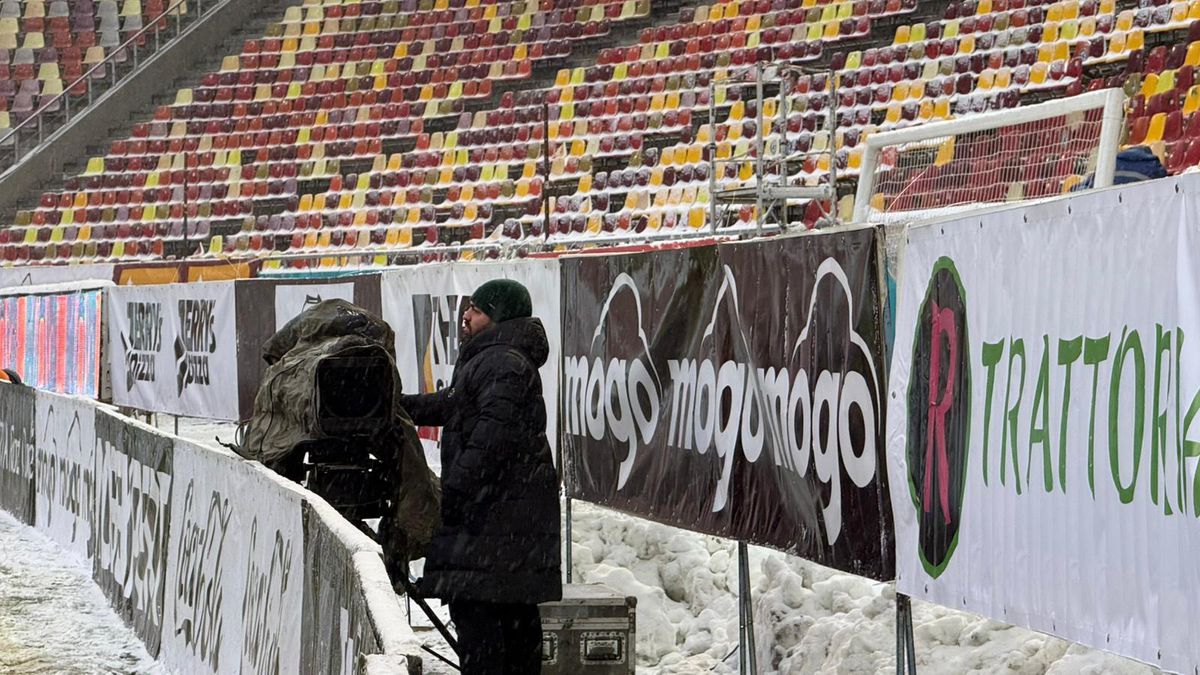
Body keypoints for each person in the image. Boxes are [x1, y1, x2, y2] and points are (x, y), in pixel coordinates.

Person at [399, 279, 561, 674]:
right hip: (503, 539)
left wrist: (452, 495)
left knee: (490, 650)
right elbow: (453, 405)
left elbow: (492, 438)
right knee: (512, 644)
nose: (465, 317)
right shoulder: (495, 360)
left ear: (498, 316)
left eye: (475, 308)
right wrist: (396, 406)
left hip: (493, 535)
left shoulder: (503, 363)